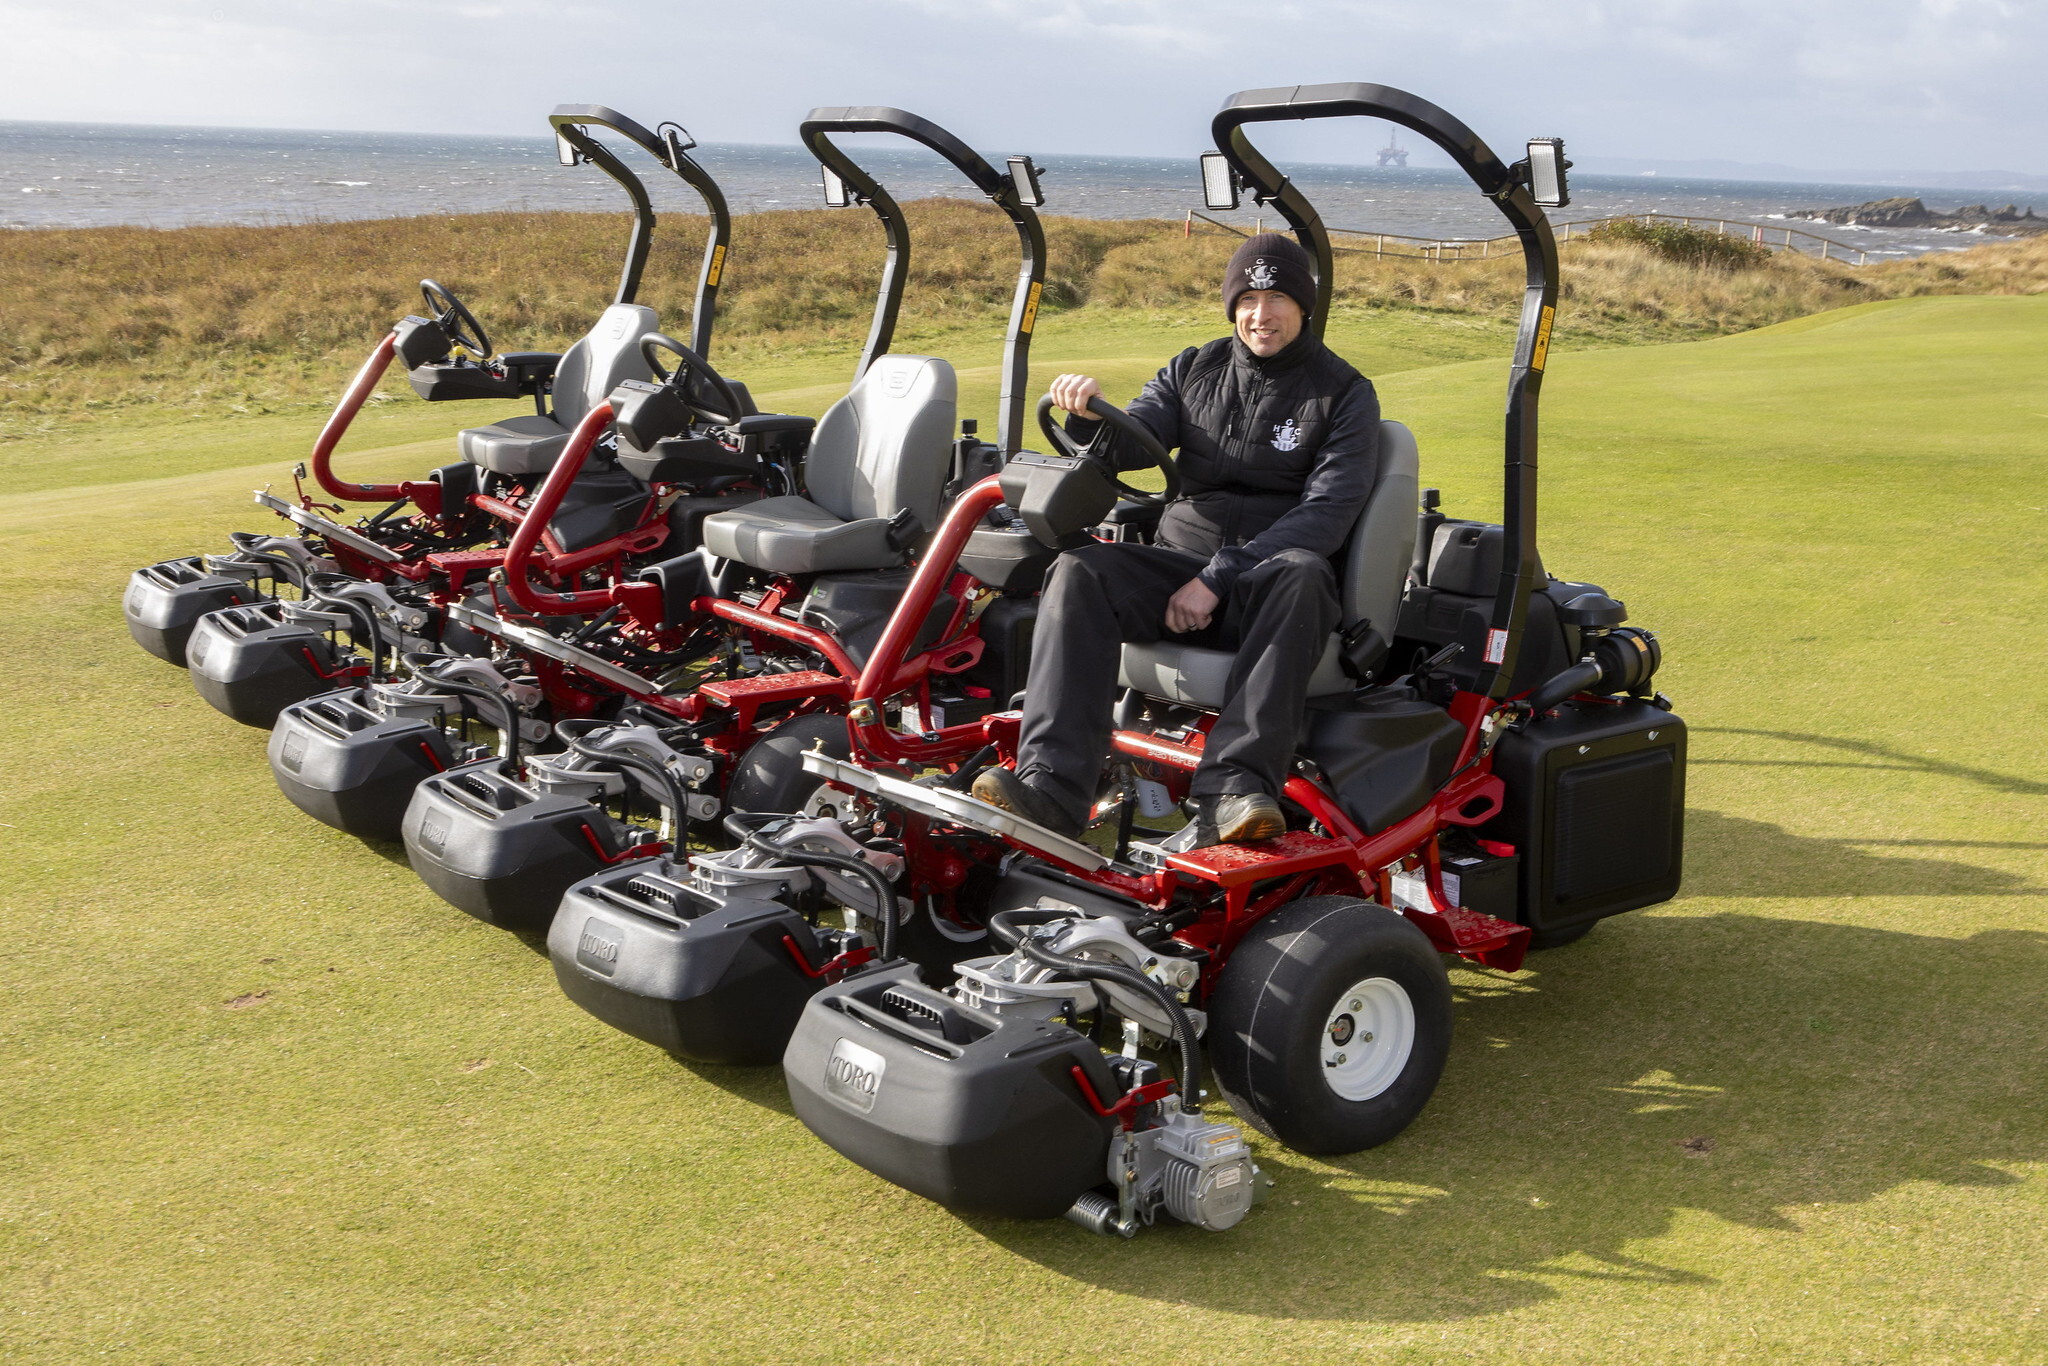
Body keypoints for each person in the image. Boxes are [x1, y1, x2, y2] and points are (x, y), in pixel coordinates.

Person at [973, 232, 1382, 845]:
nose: (1260, 314)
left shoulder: (1344, 393)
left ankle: (1236, 790)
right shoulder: (1193, 369)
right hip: (1177, 569)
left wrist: (1218, 577)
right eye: (1248, 298)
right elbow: (1134, 441)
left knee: (1300, 571)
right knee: (1078, 570)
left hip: (1266, 589)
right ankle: (1053, 789)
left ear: (1304, 306)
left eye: (1277, 300)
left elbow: (1328, 512)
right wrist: (1090, 416)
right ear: (1232, 305)